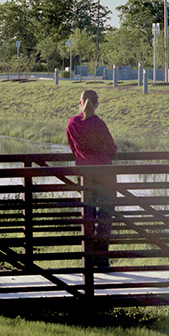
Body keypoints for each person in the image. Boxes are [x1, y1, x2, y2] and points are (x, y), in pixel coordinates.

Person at [66, 89, 118, 269]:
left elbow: (73, 148)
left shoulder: (72, 123)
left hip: (85, 175)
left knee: (88, 214)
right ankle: (101, 259)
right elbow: (112, 149)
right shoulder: (99, 124)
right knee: (105, 215)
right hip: (105, 174)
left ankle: (88, 259)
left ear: (80, 103)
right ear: (97, 104)